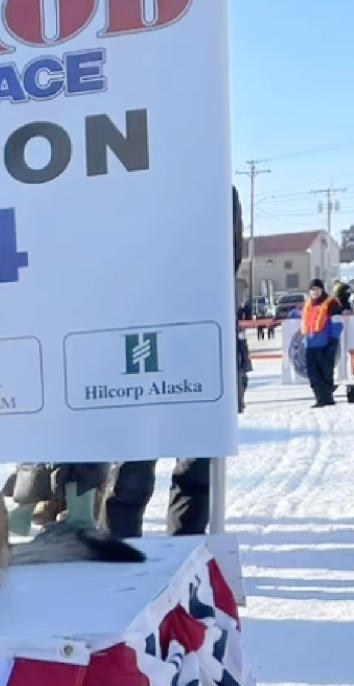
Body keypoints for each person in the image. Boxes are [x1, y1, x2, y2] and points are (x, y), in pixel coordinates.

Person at [103, 186, 245, 539]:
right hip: (142, 337)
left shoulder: (217, 188)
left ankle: (183, 553)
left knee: (193, 462)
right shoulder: (134, 183)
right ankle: (120, 548)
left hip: (196, 336)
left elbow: (228, 259)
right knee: (135, 458)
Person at [301, 278, 341, 408]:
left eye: (317, 289)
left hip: (326, 344)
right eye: (312, 290)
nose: (315, 292)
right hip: (311, 344)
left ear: (322, 290)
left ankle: (327, 399)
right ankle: (320, 398)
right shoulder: (308, 304)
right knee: (313, 374)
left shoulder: (331, 303)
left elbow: (338, 322)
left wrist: (332, 341)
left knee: (325, 372)